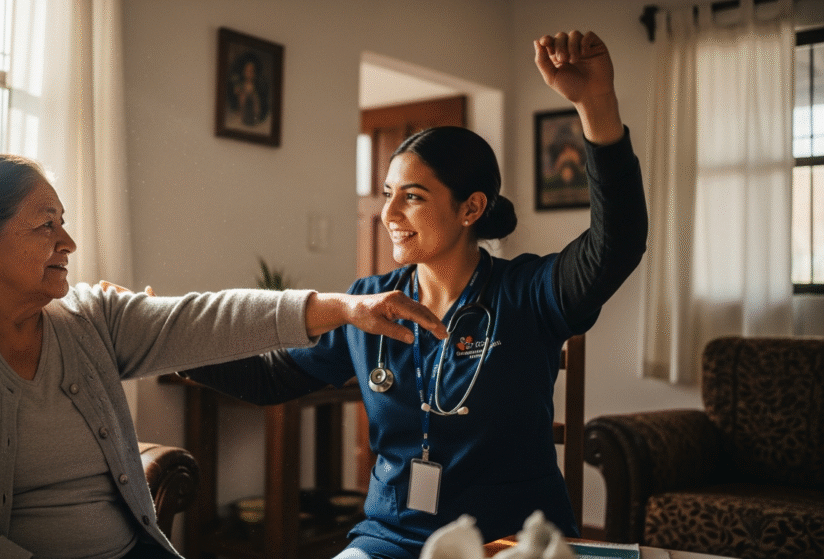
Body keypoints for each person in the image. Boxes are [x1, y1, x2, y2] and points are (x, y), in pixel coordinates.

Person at [179, 30, 647, 558]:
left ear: (470, 208)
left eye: (413, 197)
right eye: (387, 195)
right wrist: (164, 342)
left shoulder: (530, 292)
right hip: (391, 541)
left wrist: (596, 104)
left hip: (507, 542)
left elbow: (618, 243)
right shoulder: (367, 301)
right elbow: (270, 378)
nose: (389, 215)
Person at [0, 154, 447, 559]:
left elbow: (202, 317)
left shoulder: (87, 319)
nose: (69, 242)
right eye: (45, 226)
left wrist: (341, 309)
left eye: (65, 222)